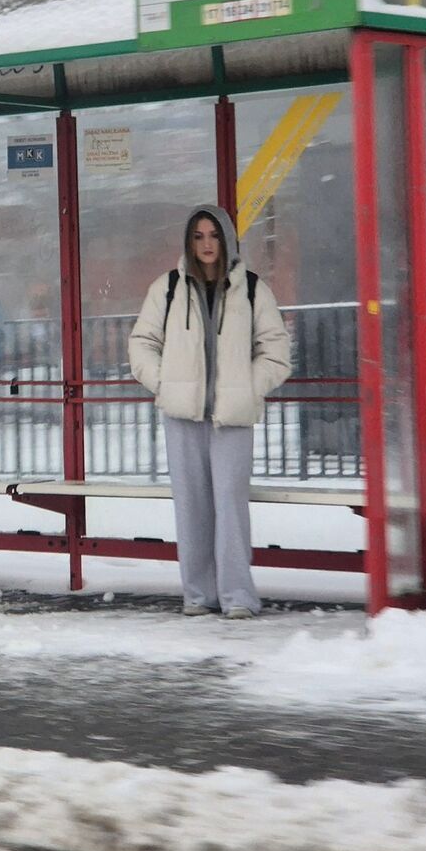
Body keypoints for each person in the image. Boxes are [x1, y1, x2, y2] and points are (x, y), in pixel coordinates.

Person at [128, 205, 290, 619]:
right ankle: (198, 595)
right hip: (182, 414)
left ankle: (237, 595)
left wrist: (248, 387)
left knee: (230, 506)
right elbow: (141, 342)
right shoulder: (166, 288)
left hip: (231, 417)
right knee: (191, 505)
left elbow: (276, 352)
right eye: (198, 236)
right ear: (189, 241)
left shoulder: (253, 289)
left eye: (213, 236)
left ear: (227, 240)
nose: (206, 244)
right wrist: (163, 383)